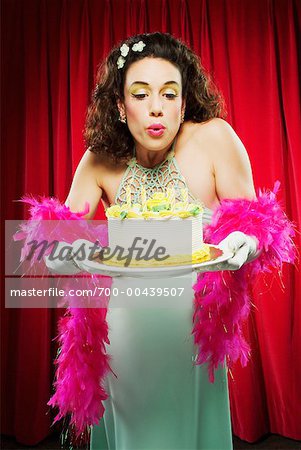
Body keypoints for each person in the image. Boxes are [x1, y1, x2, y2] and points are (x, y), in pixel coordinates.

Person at [48, 32, 259, 450]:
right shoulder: (99, 158)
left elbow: (256, 223)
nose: (156, 107)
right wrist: (67, 253)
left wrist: (243, 243)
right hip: (124, 336)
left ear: (184, 101)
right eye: (140, 95)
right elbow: (54, 242)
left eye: (169, 93)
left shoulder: (214, 138)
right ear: (120, 106)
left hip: (193, 338)